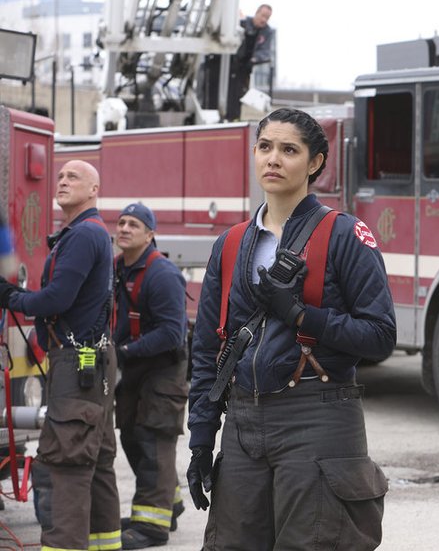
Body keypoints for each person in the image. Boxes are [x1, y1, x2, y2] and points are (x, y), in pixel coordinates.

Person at [187, 107, 395, 549]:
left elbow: (380, 335)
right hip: (242, 424)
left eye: (289, 150)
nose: (273, 159)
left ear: (315, 162)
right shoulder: (230, 243)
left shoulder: (345, 234)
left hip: (317, 418)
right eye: (265, 147)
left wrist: (302, 316)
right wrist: (202, 437)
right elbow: (206, 347)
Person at [0, 160, 120, 550]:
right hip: (92, 360)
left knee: (68, 460)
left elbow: (57, 299)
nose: (63, 181)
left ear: (94, 189)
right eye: (61, 176)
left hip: (78, 361)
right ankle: (104, 543)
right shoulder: (88, 233)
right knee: (96, 459)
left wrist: (11, 297)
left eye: (74, 177)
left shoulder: (83, 234)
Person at [113, 202, 189, 549]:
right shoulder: (118, 269)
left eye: (134, 224)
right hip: (135, 365)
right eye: (121, 222)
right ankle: (167, 504)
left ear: (150, 235)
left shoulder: (163, 274)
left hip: (163, 368)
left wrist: (125, 351)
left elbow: (172, 334)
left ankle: (152, 526)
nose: (125, 228)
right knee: (130, 433)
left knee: (153, 438)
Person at [225, 3, 274, 121]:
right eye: (262, 16)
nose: (264, 20)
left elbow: (265, 51)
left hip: (245, 67)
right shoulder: (242, 23)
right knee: (226, 90)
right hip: (229, 64)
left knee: (238, 94)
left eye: (267, 18)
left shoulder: (267, 32)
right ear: (256, 13)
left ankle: (234, 119)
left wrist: (254, 59)